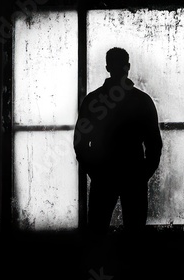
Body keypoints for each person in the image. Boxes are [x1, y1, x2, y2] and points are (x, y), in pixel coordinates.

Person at [73, 47, 162, 237]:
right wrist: (143, 173)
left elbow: (80, 143)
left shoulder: (93, 100)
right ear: (128, 67)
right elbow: (154, 144)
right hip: (133, 174)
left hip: (104, 175)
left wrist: (95, 172)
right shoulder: (142, 101)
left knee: (97, 233)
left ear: (107, 68)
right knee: (135, 235)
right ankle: (131, 267)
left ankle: (98, 266)